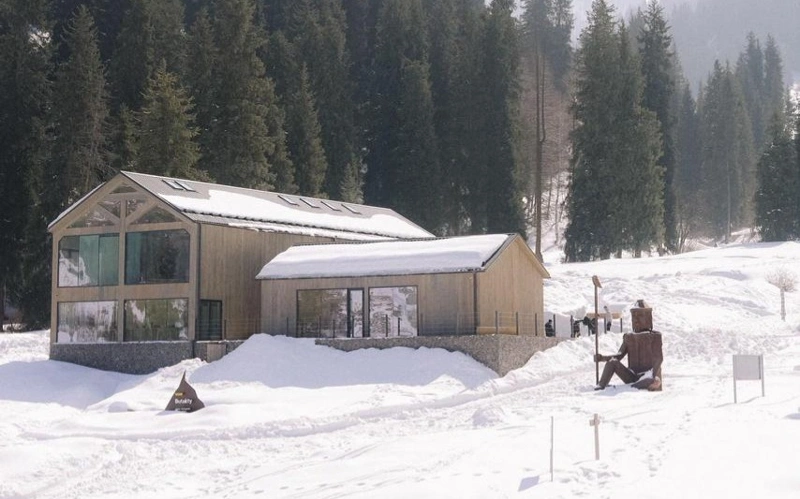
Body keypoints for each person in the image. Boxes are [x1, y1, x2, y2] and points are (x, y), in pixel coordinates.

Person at [594, 329, 663, 391]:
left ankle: (635, 386)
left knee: (650, 380)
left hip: (646, 377)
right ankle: (601, 385)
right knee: (612, 362)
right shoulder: (629, 337)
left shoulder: (654, 336)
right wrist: (602, 358)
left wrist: (653, 375)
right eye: (634, 316)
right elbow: (619, 355)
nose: (636, 320)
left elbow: (659, 358)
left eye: (640, 316)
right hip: (631, 376)